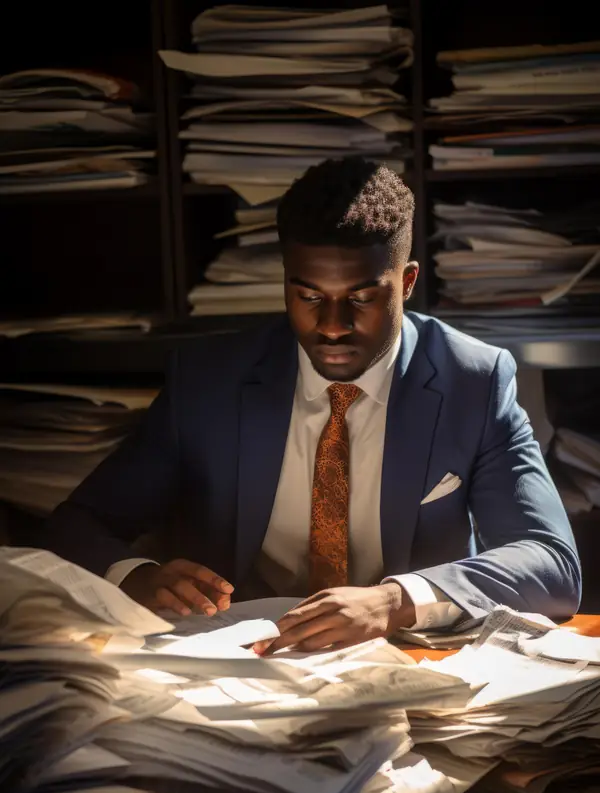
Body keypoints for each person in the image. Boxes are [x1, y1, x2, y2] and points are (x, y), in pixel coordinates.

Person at [41, 157, 581, 654]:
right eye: (308, 297)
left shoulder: (474, 382)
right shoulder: (208, 383)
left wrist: (396, 600)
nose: (332, 326)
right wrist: (136, 575)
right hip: (235, 660)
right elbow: (77, 525)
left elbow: (552, 564)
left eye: (362, 299)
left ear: (407, 281)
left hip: (403, 658)